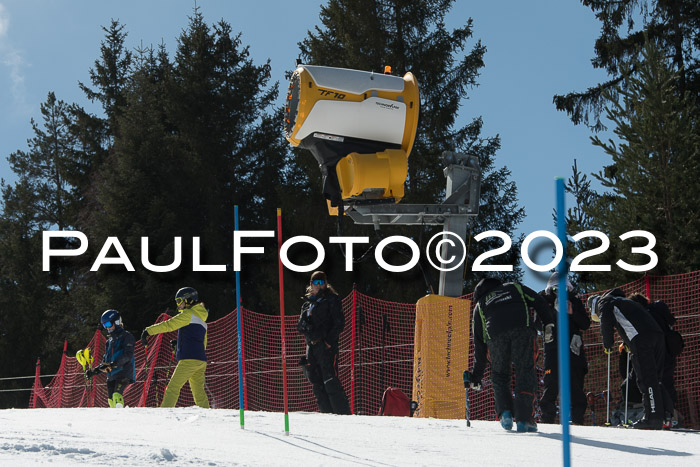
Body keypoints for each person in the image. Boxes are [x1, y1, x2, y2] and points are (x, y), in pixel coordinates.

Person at [468, 277, 554, 433]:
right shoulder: (514, 287)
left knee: (499, 375)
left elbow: (479, 345)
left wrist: (476, 377)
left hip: (495, 336)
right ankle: (524, 419)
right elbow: (538, 301)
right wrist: (548, 323)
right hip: (522, 329)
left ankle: (505, 414)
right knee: (525, 372)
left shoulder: (480, 305)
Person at [588, 289, 672, 429]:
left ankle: (652, 418)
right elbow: (633, 321)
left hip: (641, 340)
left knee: (646, 379)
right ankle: (665, 416)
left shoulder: (605, 302)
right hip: (657, 336)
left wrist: (608, 344)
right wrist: (627, 343)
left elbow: (606, 322)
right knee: (656, 379)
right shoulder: (623, 302)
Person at [141, 287, 210, 409]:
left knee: (173, 387)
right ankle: (207, 412)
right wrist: (180, 344)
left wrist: (148, 331)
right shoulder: (202, 320)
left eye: (179, 301)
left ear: (188, 300)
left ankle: (164, 412)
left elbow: (169, 325)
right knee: (198, 391)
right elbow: (201, 343)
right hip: (200, 360)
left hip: (189, 360)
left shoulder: (188, 314)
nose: (178, 305)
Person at [538, 273, 590, 425]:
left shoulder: (574, 301)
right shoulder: (543, 301)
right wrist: (550, 315)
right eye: (555, 287)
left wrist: (571, 312)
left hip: (573, 351)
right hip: (552, 351)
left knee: (575, 388)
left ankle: (577, 420)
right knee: (551, 386)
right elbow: (537, 324)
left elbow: (586, 324)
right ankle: (547, 420)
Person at [297, 270, 351, 415]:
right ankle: (326, 414)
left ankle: (342, 414)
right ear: (311, 285)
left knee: (330, 379)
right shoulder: (308, 304)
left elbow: (339, 323)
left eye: (321, 282)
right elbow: (300, 326)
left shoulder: (331, 299)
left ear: (325, 284)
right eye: (316, 283)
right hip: (311, 346)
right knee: (316, 382)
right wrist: (306, 325)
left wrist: (328, 340)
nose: (319, 286)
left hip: (325, 345)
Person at [628, 293, 682, 426]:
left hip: (657, 354)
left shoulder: (646, 315)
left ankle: (659, 416)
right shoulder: (660, 311)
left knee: (656, 383)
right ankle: (670, 417)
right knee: (668, 383)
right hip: (669, 352)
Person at [87, 309, 136, 408]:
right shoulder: (109, 341)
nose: (107, 328)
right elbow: (105, 362)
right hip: (112, 375)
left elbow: (128, 355)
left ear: (117, 322)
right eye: (104, 325)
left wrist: (114, 363)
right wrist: (94, 371)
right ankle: (116, 420)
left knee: (116, 396)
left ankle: (123, 419)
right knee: (111, 401)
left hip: (123, 372)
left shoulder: (126, 337)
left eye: (108, 324)